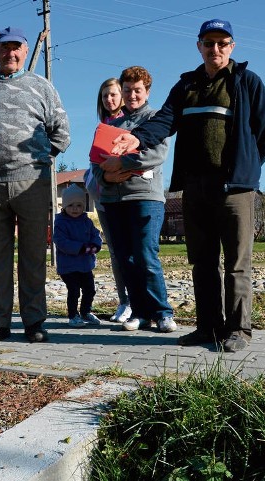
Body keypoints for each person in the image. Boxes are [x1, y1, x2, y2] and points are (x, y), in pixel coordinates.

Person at [111, 19, 265, 351]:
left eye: (221, 42)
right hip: (195, 188)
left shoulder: (246, 82)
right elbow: (163, 121)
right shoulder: (186, 85)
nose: (214, 49)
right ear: (199, 46)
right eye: (208, 42)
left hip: (235, 189)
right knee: (202, 261)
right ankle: (208, 327)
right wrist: (136, 137)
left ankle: (238, 330)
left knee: (236, 262)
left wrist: (248, 166)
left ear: (231, 46)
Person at [0, 27, 71, 345]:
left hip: (33, 185)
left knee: (32, 256)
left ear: (25, 52)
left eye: (16, 48)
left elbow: (62, 132)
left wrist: (40, 160)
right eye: (4, 47)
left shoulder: (42, 87)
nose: (10, 53)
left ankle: (34, 322)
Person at [93, 66, 177, 334]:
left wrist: (121, 163)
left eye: (137, 90)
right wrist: (107, 178)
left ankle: (163, 312)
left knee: (146, 256)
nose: (131, 95)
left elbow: (156, 154)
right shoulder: (110, 125)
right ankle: (140, 313)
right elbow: (96, 163)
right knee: (125, 259)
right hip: (115, 200)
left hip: (145, 197)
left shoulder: (155, 119)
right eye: (127, 90)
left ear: (147, 91)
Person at [85, 78, 131, 324]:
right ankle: (124, 301)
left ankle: (140, 302)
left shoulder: (131, 123)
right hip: (104, 196)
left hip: (129, 193)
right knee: (115, 251)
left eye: (113, 94)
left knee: (135, 250)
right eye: (105, 96)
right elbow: (95, 160)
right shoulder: (101, 126)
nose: (109, 100)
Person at [53, 184, 103, 327]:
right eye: (71, 205)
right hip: (68, 266)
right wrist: (80, 248)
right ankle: (73, 315)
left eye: (79, 205)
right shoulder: (61, 222)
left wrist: (96, 244)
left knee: (90, 289)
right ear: (64, 206)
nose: (75, 209)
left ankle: (85, 311)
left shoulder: (86, 221)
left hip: (85, 264)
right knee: (74, 290)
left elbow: (95, 234)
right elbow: (61, 241)